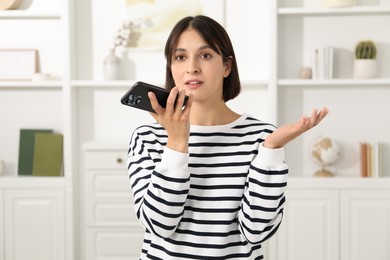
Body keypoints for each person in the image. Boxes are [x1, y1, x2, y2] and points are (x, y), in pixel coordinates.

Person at [127, 15, 328, 259]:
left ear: (226, 66)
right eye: (180, 57)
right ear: (171, 67)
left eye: (205, 55)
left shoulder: (261, 137)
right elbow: (159, 225)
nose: (192, 67)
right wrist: (176, 144)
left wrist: (272, 149)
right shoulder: (147, 137)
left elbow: (256, 231)